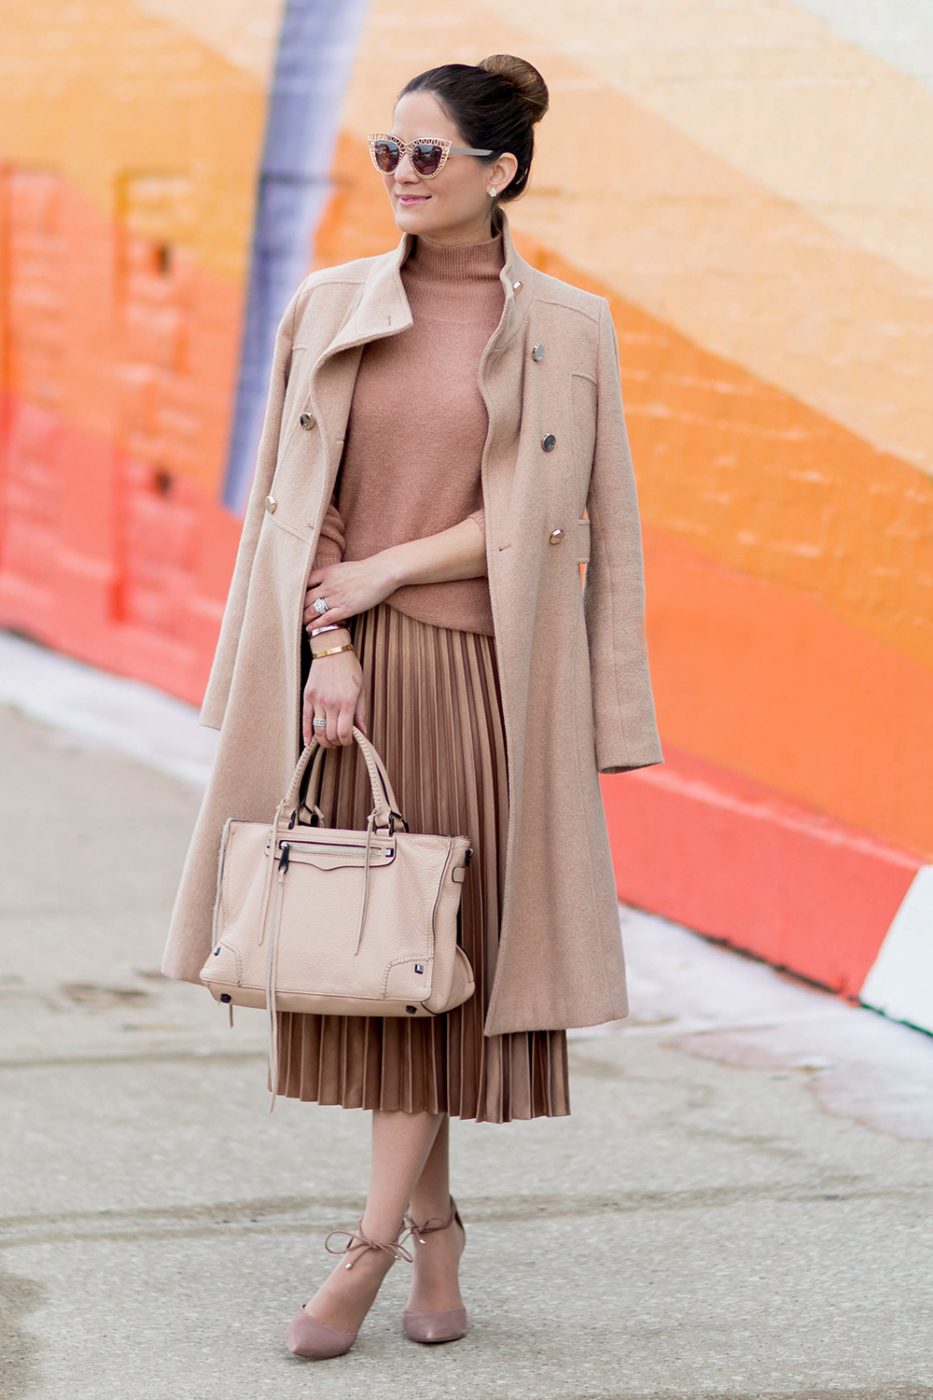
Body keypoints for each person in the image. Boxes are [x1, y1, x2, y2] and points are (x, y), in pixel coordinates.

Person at [162, 54, 662, 1360]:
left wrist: (395, 565)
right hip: (349, 687)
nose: (398, 174)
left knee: (436, 977)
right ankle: (432, 1240)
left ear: (498, 173)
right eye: (386, 152)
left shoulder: (570, 328)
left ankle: (368, 1254)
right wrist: (331, 636)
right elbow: (293, 505)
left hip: (489, 690)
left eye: (426, 155)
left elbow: (574, 520)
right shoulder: (329, 304)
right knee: (385, 974)